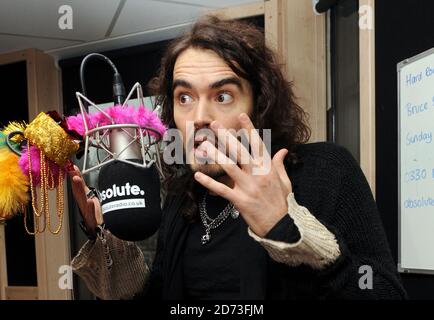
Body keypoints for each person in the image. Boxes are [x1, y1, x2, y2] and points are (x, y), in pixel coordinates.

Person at [69, 15, 407, 300]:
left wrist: (285, 226)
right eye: (184, 97)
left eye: (223, 95)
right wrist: (105, 239)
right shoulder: (183, 196)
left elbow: (385, 293)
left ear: (260, 105)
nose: (199, 116)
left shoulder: (325, 171)